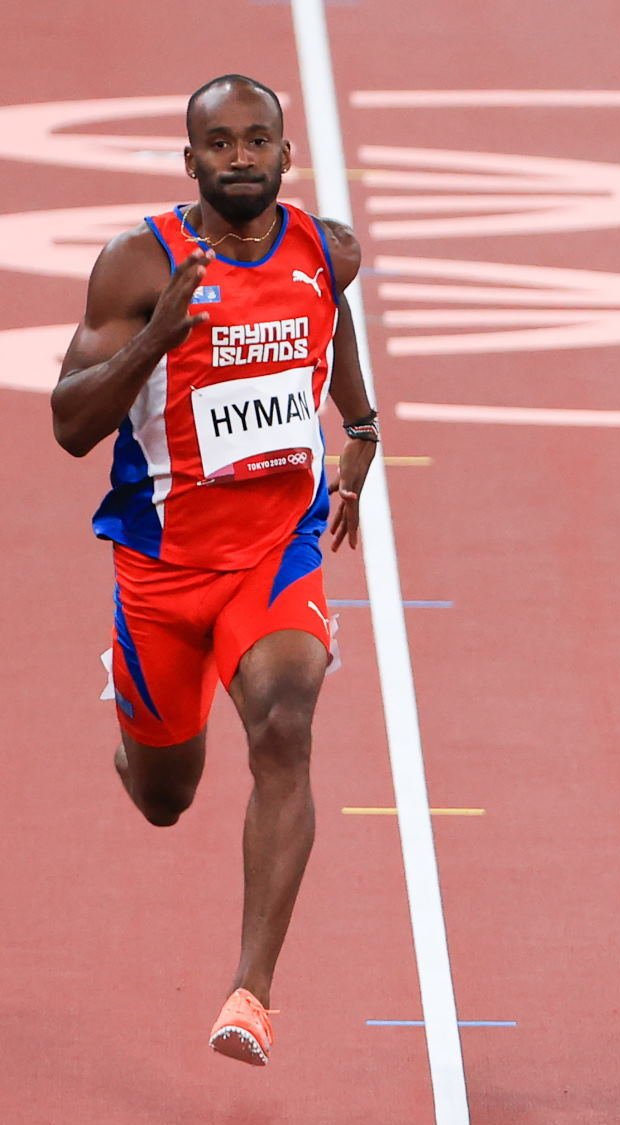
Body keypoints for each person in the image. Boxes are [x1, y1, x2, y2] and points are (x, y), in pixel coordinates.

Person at [50, 74, 379, 1066]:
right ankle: (135, 714)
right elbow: (69, 425)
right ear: (189, 161)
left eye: (257, 141)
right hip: (163, 569)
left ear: (285, 155)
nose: (240, 158)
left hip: (275, 554)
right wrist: (157, 339)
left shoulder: (327, 249)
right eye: (220, 144)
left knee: (285, 724)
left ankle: (251, 992)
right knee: (164, 796)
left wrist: (358, 428)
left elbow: (333, 321)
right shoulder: (136, 265)